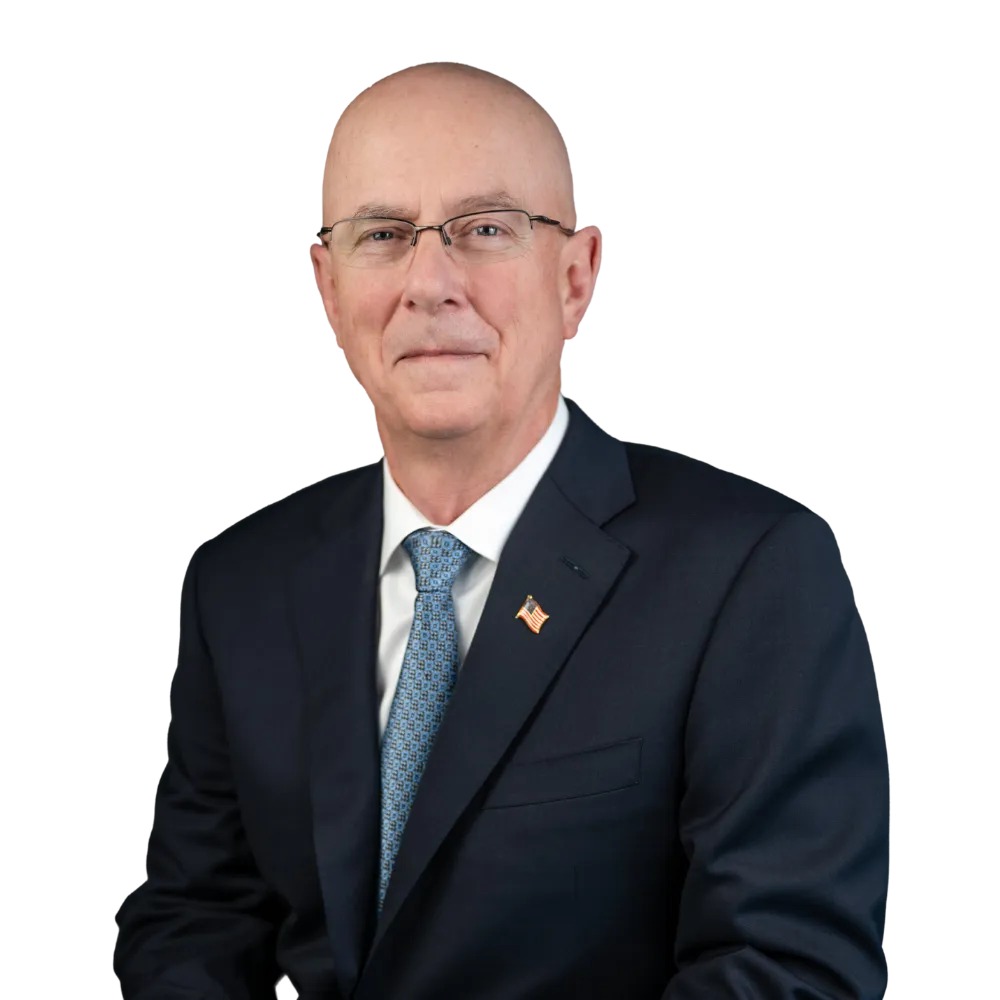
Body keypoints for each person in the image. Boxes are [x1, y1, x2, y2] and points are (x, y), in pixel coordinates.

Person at [113, 60, 891, 1000]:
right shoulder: (239, 581)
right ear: (327, 286)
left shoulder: (752, 572)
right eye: (383, 235)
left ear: (577, 274)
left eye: (485, 229)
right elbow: (194, 925)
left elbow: (790, 970)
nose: (429, 283)